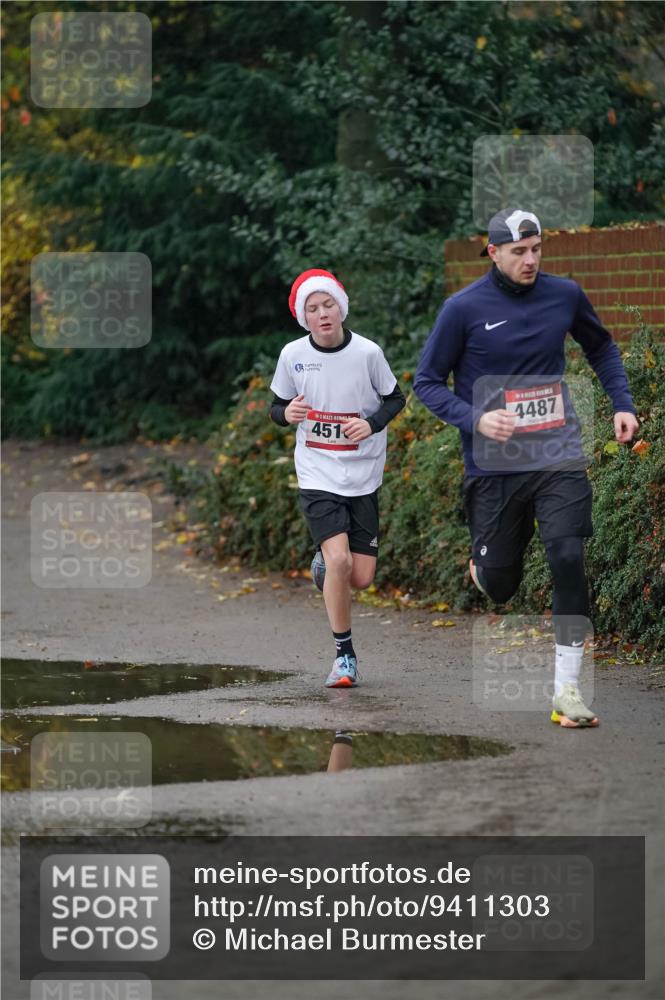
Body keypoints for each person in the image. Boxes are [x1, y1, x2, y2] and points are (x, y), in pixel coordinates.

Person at [414, 208, 639, 728]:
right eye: (519, 251)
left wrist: (621, 404)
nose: (531, 259)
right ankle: (483, 566)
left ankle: (568, 689)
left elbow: (601, 347)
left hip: (556, 452)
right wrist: (474, 419)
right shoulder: (462, 308)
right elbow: (427, 382)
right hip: (493, 466)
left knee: (566, 555)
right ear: (492, 252)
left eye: (536, 249)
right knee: (501, 584)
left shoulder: (565, 294)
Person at [269, 268, 405, 687]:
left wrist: (372, 424)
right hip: (317, 472)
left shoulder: (367, 353)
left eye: (328, 304)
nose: (323, 313)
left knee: (359, 576)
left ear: (340, 308)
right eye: (313, 308)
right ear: (304, 317)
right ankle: (344, 656)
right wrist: (285, 414)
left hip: (363, 474)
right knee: (341, 561)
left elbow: (396, 399)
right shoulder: (293, 355)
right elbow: (277, 407)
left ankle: (325, 565)